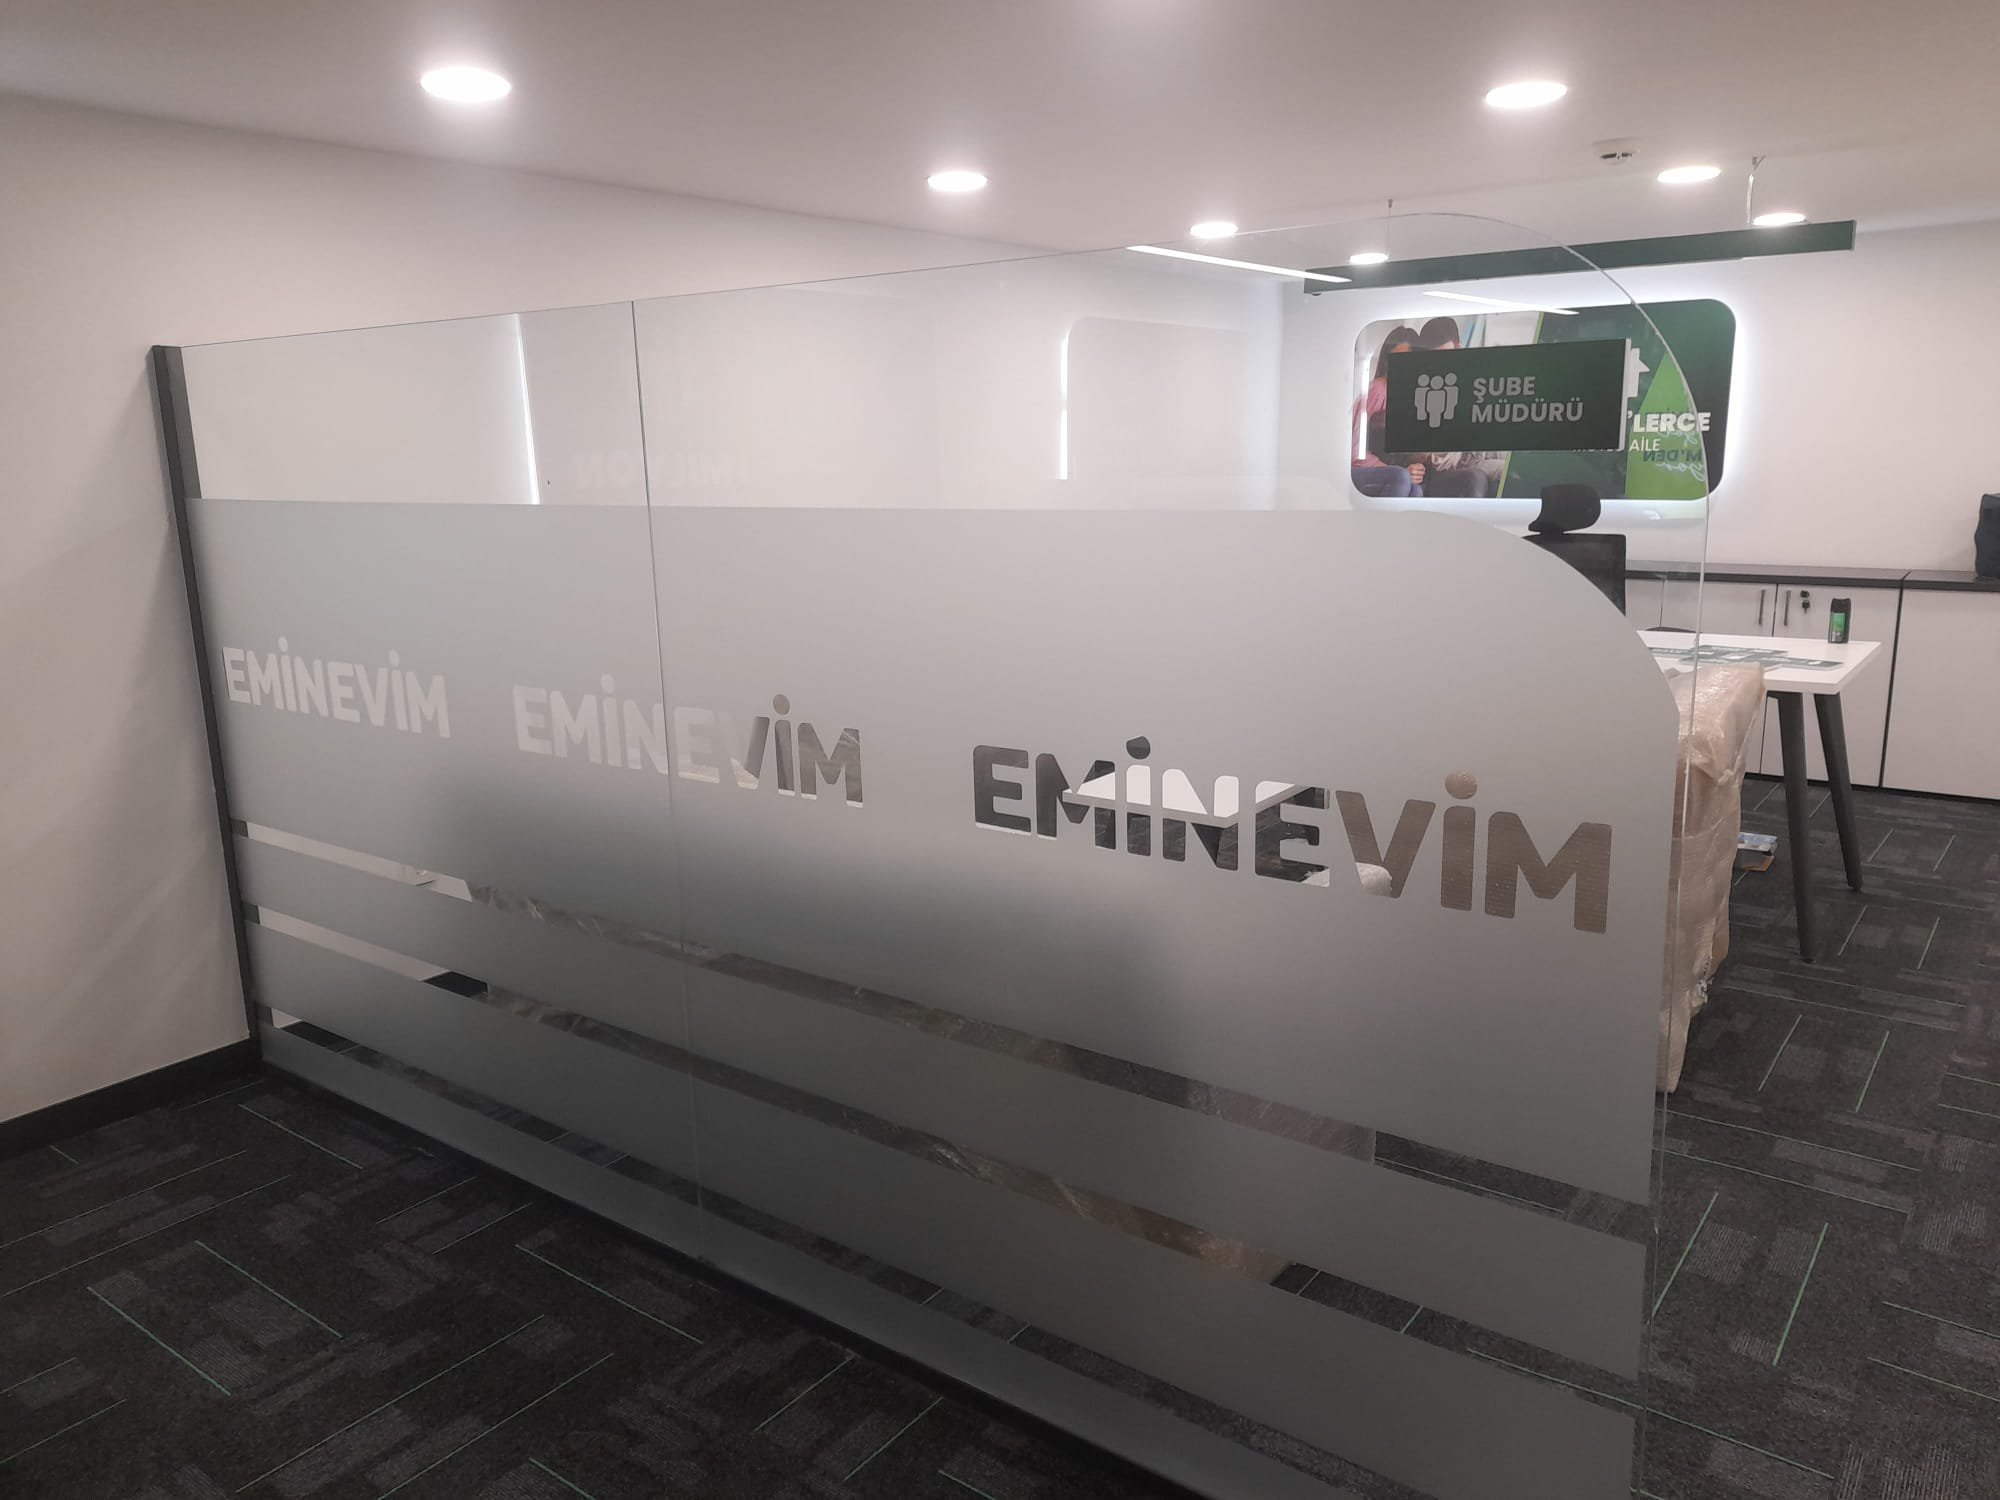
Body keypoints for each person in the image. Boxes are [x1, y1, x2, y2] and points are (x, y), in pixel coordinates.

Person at [1400, 316, 1491, 497]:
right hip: (1438, 470)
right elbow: (1413, 452)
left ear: (1459, 348)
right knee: (1477, 477)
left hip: (1471, 458)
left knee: (1509, 468)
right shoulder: (1418, 388)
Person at [1351, 325, 1426, 497]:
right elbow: (1354, 451)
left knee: (1416, 490)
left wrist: (1416, 466)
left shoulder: (1417, 398)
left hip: (1391, 471)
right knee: (1400, 477)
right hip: (1359, 469)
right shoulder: (1378, 390)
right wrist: (1398, 470)